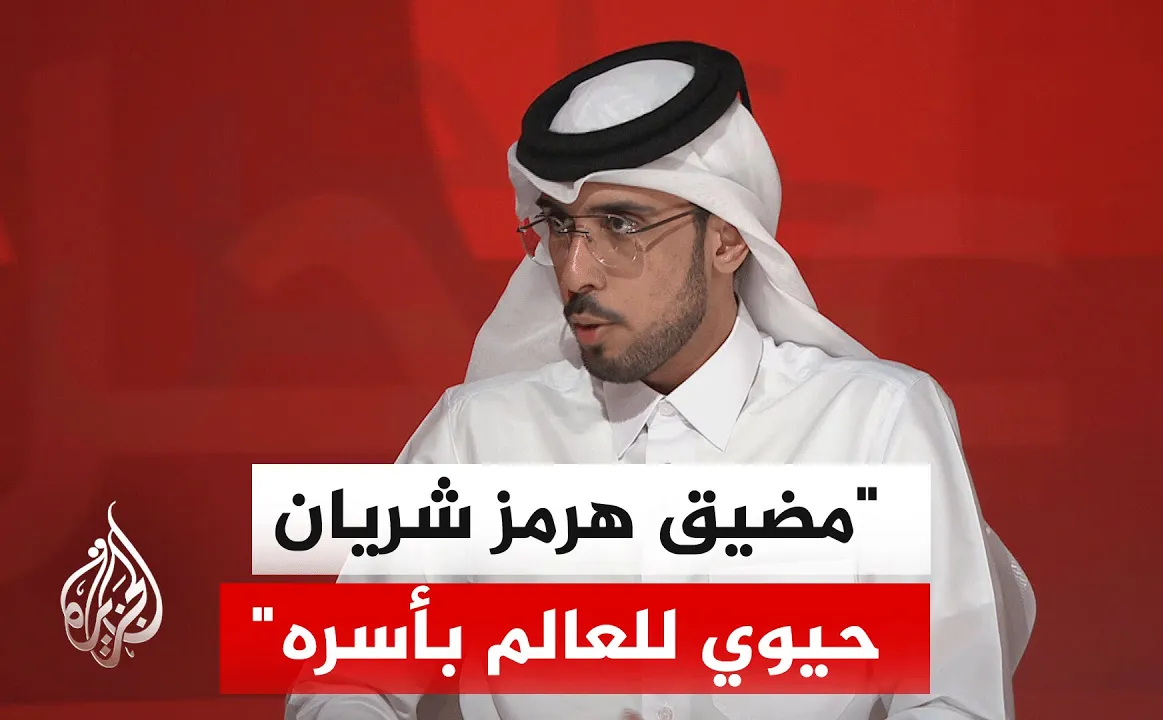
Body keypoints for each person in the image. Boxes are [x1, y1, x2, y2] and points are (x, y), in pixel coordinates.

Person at [288, 40, 1034, 720]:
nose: (575, 271)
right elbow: (341, 684)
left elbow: (954, 702)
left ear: (728, 238)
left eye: (621, 225)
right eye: (560, 227)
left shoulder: (874, 425)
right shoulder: (478, 437)